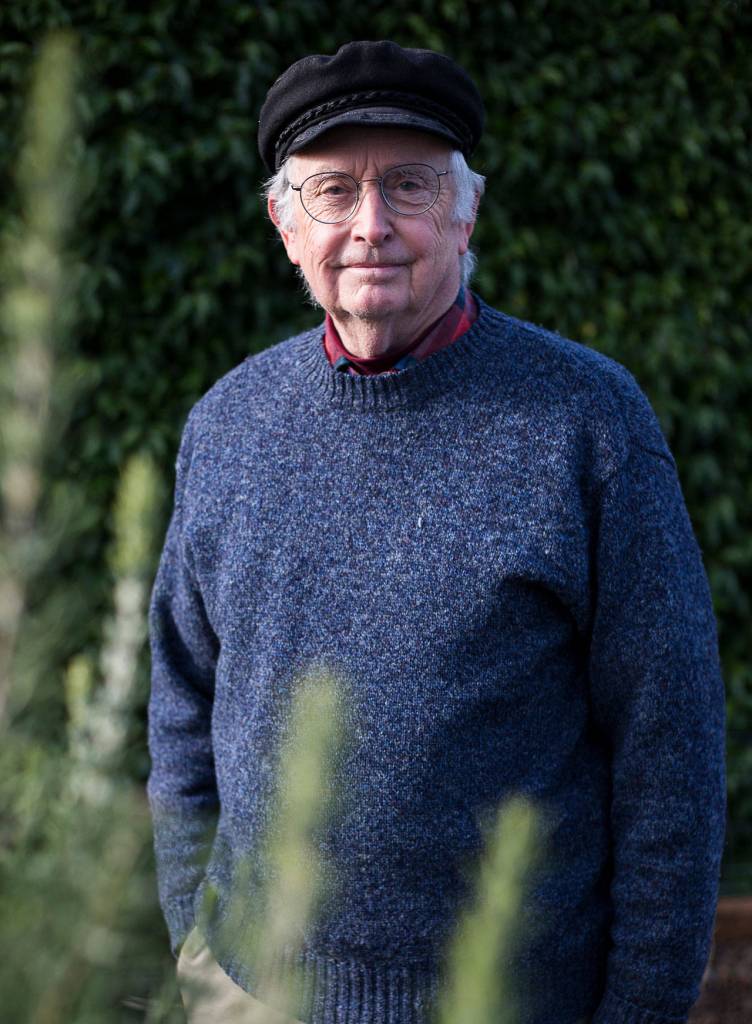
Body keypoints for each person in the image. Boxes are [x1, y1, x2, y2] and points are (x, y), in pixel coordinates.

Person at [147, 40, 726, 1024]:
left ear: (464, 214)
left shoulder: (584, 424)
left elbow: (669, 754)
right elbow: (181, 706)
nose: (370, 226)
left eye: (407, 186)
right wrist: (197, 950)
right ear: (286, 226)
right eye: (332, 191)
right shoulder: (228, 425)